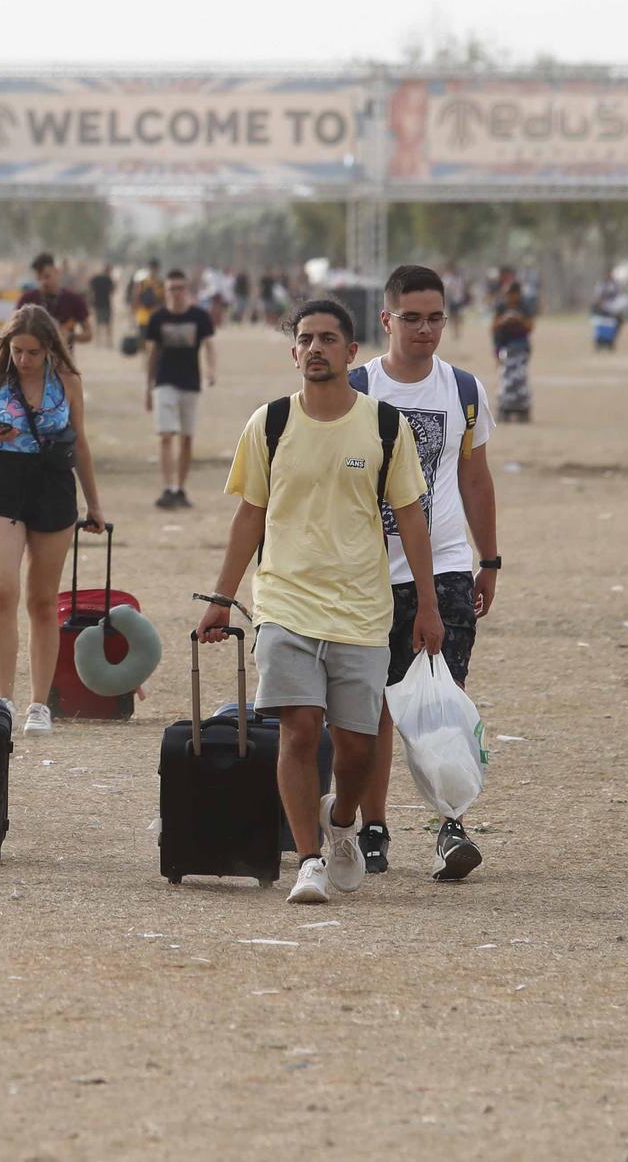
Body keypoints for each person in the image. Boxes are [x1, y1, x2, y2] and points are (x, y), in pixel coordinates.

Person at [199, 298, 440, 905]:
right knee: (300, 731)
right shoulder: (270, 423)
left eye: (329, 339)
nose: (316, 349)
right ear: (293, 353)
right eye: (305, 339)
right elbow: (248, 514)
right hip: (285, 600)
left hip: (362, 606)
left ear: (352, 352)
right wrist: (222, 598)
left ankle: (342, 824)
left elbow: (411, 518)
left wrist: (430, 606)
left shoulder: (385, 425)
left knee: (356, 746)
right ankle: (308, 859)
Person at [350, 265, 498, 881]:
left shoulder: (462, 389)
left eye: (435, 317)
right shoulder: (355, 388)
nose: (425, 329)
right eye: (411, 317)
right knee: (373, 706)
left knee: (444, 700)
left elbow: (474, 477)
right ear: (386, 320)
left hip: (445, 569)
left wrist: (487, 560)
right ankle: (374, 826)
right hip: (365, 572)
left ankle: (450, 824)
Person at [0, 306, 106, 735]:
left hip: (54, 488)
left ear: (49, 348)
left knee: (42, 600)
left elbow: (82, 444)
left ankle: (40, 703)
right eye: (17, 350)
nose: (24, 360)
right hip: (4, 487)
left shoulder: (68, 382)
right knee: (3, 590)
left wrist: (95, 504)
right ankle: (4, 698)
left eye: (33, 352)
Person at [143, 269, 217, 509]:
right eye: (171, 289)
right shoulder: (157, 318)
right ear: (165, 292)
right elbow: (152, 353)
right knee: (166, 435)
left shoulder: (199, 317)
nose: (176, 293)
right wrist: (148, 387)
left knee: (187, 438)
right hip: (165, 382)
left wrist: (211, 370)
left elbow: (209, 345)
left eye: (180, 288)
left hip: (191, 383)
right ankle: (166, 487)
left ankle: (180, 488)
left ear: (187, 290)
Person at [19, 252, 93, 347]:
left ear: (57, 271)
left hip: (63, 359)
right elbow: (14, 329)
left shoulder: (74, 300)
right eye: (39, 278)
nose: (43, 282)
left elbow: (88, 334)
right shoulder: (27, 299)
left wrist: (70, 336)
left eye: (47, 276)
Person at [490, 281, 535, 421]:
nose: (508, 297)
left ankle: (522, 408)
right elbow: (494, 326)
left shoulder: (524, 306)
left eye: (511, 294)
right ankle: (505, 407)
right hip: (505, 346)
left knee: (520, 379)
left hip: (520, 346)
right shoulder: (501, 306)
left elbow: (530, 326)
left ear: (517, 294)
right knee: (505, 378)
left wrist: (519, 319)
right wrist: (504, 320)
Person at [87, 264, 116, 347]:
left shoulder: (96, 278)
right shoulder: (109, 279)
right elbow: (112, 291)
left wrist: (90, 299)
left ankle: (98, 342)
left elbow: (90, 288)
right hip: (106, 303)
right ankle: (108, 342)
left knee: (98, 323)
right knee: (108, 324)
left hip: (97, 303)